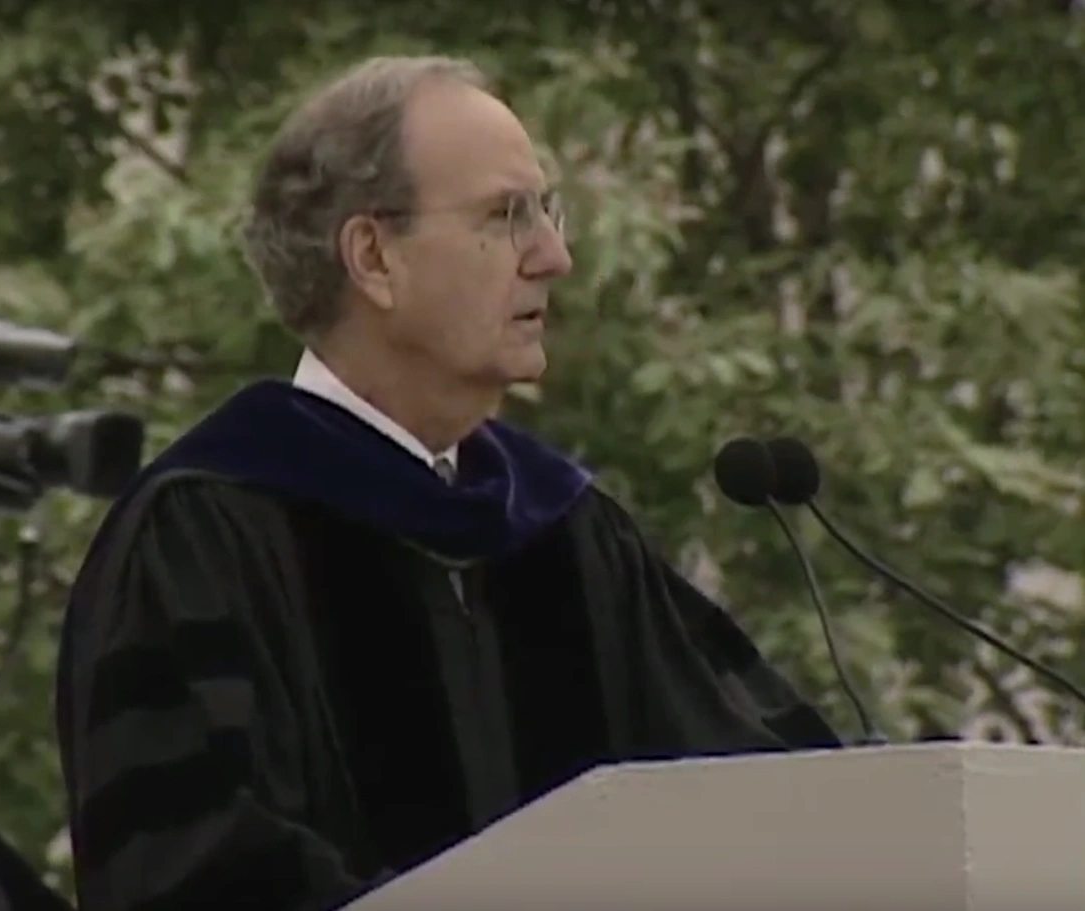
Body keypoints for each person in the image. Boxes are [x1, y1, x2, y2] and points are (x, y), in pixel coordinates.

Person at [55, 55, 840, 911]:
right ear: (374, 256)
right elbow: (192, 869)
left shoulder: (569, 532)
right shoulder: (205, 532)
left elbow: (763, 796)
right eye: (507, 216)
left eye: (547, 211)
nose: (555, 256)